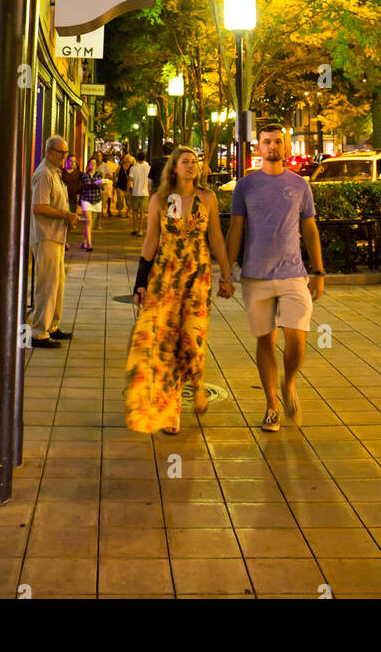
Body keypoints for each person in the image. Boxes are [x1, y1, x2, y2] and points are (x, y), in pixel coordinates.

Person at [126, 145, 233, 434]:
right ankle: (171, 408)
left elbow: (217, 240)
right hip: (167, 276)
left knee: (193, 337)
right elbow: (151, 240)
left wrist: (226, 273)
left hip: (197, 278)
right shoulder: (164, 199)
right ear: (174, 167)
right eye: (186, 161)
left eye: (195, 162)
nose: (192, 166)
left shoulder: (207, 198)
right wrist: (140, 281)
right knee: (167, 341)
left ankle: (197, 382)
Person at [226, 123, 324, 432]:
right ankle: (271, 405)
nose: (273, 146)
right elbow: (236, 229)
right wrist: (227, 270)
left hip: (294, 273)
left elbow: (309, 228)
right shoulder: (245, 186)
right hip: (255, 275)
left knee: (297, 336)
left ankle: (289, 381)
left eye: (278, 141)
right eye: (267, 141)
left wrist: (318, 270)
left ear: (286, 146)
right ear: (258, 147)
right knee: (265, 340)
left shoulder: (299, 185)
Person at [30, 136, 80, 347]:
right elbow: (39, 206)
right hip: (46, 236)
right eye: (61, 153)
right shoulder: (43, 174)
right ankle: (39, 332)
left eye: (66, 153)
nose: (64, 157)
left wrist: (67, 217)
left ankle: (52, 325)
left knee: (57, 284)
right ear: (49, 151)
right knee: (47, 285)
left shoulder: (55, 173)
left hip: (57, 237)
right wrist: (65, 215)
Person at [78, 156, 104, 251]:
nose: (92, 165)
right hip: (86, 200)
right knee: (88, 221)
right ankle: (89, 244)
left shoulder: (99, 174)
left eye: (94, 163)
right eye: (91, 163)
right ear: (88, 165)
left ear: (96, 165)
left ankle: (84, 241)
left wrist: (103, 184)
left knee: (91, 223)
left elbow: (102, 188)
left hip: (97, 200)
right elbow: (88, 186)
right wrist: (98, 184)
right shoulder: (84, 175)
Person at [128, 151, 151, 235]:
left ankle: (135, 228)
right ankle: (140, 230)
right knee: (142, 212)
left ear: (137, 157)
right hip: (145, 193)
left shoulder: (133, 168)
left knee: (134, 211)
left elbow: (129, 180)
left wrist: (128, 191)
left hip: (135, 192)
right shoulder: (148, 167)